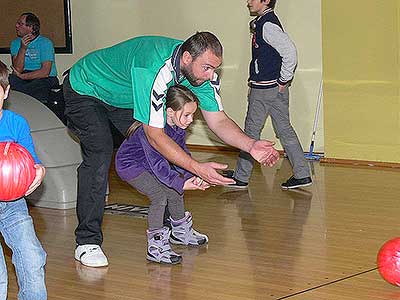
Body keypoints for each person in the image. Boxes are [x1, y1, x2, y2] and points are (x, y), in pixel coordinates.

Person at [63, 31, 280, 268]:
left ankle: (175, 227)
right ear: (186, 58)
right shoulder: (155, 68)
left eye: (214, 69)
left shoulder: (201, 76)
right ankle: (87, 241)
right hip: (85, 88)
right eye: (207, 68)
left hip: (123, 99)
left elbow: (217, 120)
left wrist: (251, 145)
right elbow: (155, 137)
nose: (211, 76)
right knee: (101, 152)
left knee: (158, 149)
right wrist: (196, 168)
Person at [116, 85, 210, 264]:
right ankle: (156, 247)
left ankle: (180, 233)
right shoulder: (151, 130)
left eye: (193, 115)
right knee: (159, 196)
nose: (191, 120)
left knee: (174, 190)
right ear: (170, 112)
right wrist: (179, 181)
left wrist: (191, 175)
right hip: (130, 166)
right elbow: (157, 163)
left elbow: (181, 154)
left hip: (149, 164)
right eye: (187, 115)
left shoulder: (177, 127)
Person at [226, 0, 312, 190]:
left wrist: (283, 79)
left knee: (250, 132)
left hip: (265, 90)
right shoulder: (263, 22)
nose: (248, 1)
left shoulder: (267, 25)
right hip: (269, 88)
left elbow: (290, 52)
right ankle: (302, 173)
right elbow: (262, 58)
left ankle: (240, 178)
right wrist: (255, 81)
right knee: (284, 129)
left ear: (265, 0)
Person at [0, 60, 47, 299]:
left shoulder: (16, 123)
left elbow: (32, 162)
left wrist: (39, 172)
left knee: (32, 257)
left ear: (6, 91)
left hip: (13, 203)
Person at [9, 12, 59, 103]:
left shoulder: (45, 43)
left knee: (39, 85)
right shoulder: (15, 43)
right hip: (23, 75)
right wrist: (23, 48)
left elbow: (45, 72)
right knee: (10, 80)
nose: (16, 26)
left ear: (31, 27)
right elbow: (18, 69)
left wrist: (22, 77)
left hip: (43, 77)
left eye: (20, 23)